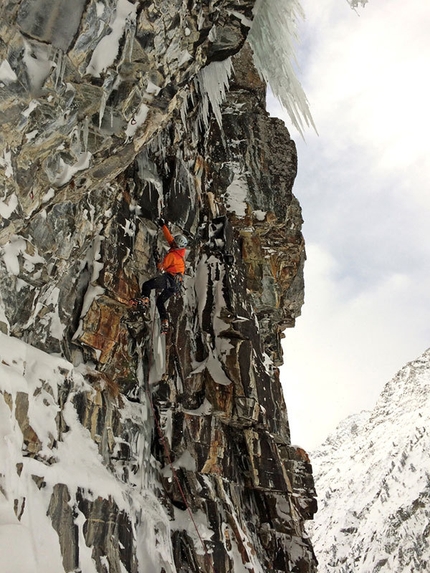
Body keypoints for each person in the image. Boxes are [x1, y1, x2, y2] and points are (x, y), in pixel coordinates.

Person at [130, 218, 187, 333]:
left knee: (147, 285)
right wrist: (163, 226)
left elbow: (161, 268)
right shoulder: (179, 252)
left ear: (178, 246)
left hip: (169, 279)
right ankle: (164, 320)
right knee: (160, 301)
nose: (173, 243)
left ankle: (145, 299)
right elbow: (169, 238)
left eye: (175, 243)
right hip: (176, 285)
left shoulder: (172, 256)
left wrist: (157, 258)